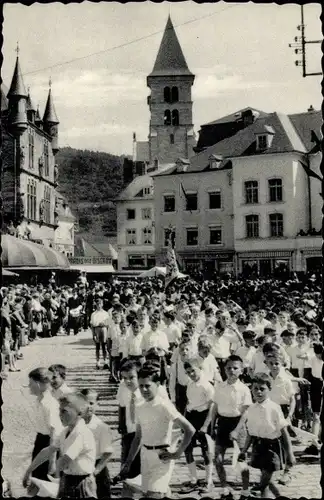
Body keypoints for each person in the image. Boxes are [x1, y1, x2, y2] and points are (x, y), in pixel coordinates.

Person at [120, 365, 195, 499]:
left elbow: (189, 429)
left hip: (162, 457)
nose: (144, 389)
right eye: (141, 385)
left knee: (153, 495)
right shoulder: (140, 406)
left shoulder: (164, 405)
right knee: (149, 493)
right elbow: (138, 437)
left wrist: (177, 454)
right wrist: (128, 462)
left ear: (157, 384)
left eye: (148, 386)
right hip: (145, 455)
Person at [23, 393, 97, 498]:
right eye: (59, 410)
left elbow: (65, 460)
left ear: (79, 413)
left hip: (82, 483)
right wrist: (29, 471)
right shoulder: (65, 432)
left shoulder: (82, 433)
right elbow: (48, 450)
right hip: (68, 479)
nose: (60, 414)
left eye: (64, 411)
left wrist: (55, 478)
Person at [236, 373, 295, 499]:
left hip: (272, 447)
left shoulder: (274, 408)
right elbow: (250, 434)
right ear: (251, 389)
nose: (258, 392)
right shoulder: (251, 409)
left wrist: (290, 454)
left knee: (265, 479)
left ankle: (255, 492)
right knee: (265, 479)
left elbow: (284, 432)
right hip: (258, 447)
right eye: (255, 388)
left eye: (262, 389)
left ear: (269, 389)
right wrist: (244, 450)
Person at [205, 355, 252, 500]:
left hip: (238, 424)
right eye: (229, 368)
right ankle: (225, 487)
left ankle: (245, 490)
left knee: (241, 460)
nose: (231, 371)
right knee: (217, 458)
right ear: (224, 369)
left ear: (241, 370)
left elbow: (246, 412)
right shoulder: (219, 387)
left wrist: (237, 430)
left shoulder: (244, 389)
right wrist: (212, 426)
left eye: (235, 368)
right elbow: (215, 407)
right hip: (223, 424)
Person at [180, 358, 214, 494]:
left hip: (204, 417)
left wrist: (206, 425)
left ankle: (208, 480)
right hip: (191, 417)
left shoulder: (207, 385)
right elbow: (189, 403)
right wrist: (184, 421)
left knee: (206, 450)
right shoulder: (190, 384)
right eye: (188, 372)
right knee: (187, 448)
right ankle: (193, 480)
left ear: (200, 369)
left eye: (193, 370)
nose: (191, 374)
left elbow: (212, 406)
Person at [26, 368, 64, 486]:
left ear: (38, 384)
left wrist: (52, 462)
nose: (29, 386)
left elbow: (54, 433)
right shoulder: (40, 401)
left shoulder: (49, 404)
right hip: (41, 441)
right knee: (38, 481)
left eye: (31, 383)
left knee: (46, 484)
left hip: (48, 444)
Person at [81, 389, 113, 499]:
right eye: (84, 403)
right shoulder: (75, 424)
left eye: (91, 403)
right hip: (80, 467)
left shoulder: (101, 427)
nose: (88, 406)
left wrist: (95, 472)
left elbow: (107, 453)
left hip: (97, 468)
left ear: (97, 405)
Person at [90, 298, 110, 370]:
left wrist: (105, 326)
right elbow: (92, 325)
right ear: (96, 305)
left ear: (102, 304)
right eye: (97, 304)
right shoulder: (93, 314)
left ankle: (105, 362)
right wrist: (93, 334)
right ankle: (97, 362)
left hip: (104, 329)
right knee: (97, 347)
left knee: (104, 346)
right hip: (97, 329)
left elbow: (108, 324)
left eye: (100, 304)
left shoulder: (105, 313)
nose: (99, 305)